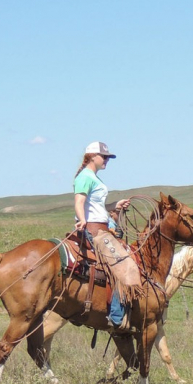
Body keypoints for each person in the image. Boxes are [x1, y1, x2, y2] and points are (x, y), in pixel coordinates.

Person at [73, 141, 141, 330]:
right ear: (92, 156)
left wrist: (115, 206)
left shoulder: (94, 178)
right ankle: (116, 316)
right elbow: (79, 201)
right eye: (104, 157)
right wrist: (82, 219)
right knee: (123, 263)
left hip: (102, 226)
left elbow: (97, 207)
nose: (107, 160)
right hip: (95, 230)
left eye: (108, 157)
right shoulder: (85, 177)